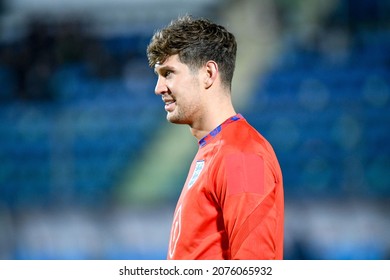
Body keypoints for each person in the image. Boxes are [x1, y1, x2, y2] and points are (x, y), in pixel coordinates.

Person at [146, 15, 284, 260]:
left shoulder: (243, 155)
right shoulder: (213, 149)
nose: (158, 88)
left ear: (208, 73)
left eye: (168, 73)